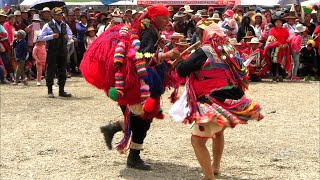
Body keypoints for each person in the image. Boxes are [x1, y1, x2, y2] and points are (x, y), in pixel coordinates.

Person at [91, 4, 181, 171]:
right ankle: (133, 157)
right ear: (154, 18)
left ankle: (113, 128)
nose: (168, 21)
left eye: (169, 18)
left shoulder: (148, 28)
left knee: (139, 117)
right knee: (143, 120)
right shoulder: (149, 31)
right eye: (164, 18)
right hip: (139, 84)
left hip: (136, 82)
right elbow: (142, 56)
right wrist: (164, 55)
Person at [174, 23, 263, 180]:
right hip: (230, 96)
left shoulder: (204, 51)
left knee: (197, 141)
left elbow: (181, 70)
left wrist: (180, 59)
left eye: (199, 35)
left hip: (212, 100)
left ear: (204, 35)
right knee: (218, 133)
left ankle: (209, 177)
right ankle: (215, 167)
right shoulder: (229, 49)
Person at [38, 7, 73, 98]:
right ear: (54, 15)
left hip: (62, 50)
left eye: (61, 14)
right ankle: (50, 91)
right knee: (51, 70)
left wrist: (68, 37)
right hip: (52, 51)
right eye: (58, 15)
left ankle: (61, 90)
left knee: (62, 70)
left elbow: (70, 35)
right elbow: (40, 37)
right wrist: (51, 36)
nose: (60, 16)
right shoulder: (47, 25)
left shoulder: (64, 25)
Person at [264, 11, 291, 82]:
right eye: (277, 22)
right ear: (274, 23)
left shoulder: (285, 30)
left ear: (282, 23)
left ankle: (281, 75)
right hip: (275, 48)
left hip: (283, 48)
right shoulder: (272, 30)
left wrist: (285, 44)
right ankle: (274, 75)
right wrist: (278, 44)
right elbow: (271, 38)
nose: (279, 23)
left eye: (280, 22)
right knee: (274, 62)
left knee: (282, 62)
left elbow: (288, 38)